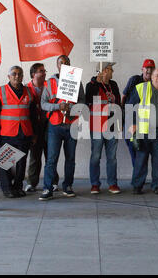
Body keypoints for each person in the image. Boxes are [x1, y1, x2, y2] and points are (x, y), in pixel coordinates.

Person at [39, 55, 85, 201]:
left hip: (72, 124)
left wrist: (72, 107)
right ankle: (48, 188)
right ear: (57, 65)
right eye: (61, 63)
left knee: (70, 158)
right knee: (52, 158)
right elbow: (43, 104)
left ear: (70, 65)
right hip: (55, 125)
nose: (64, 65)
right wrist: (58, 106)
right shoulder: (50, 82)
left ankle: (68, 186)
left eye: (67, 63)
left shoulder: (77, 80)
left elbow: (83, 102)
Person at [122, 59, 158, 186]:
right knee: (141, 160)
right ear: (152, 77)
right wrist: (132, 124)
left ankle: (157, 185)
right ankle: (137, 186)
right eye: (156, 76)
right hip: (144, 131)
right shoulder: (140, 88)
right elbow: (130, 106)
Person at [0, 66, 38, 198]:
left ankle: (18, 187)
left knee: (21, 163)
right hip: (7, 133)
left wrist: (34, 134)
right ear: (9, 76)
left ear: (23, 76)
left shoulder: (29, 92)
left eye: (20, 74)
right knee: (6, 162)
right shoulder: (0, 91)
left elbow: (33, 115)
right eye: (14, 74)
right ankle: (7, 189)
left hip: (25, 133)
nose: (17, 76)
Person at [86, 62, 121, 194]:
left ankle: (112, 183)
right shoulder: (91, 85)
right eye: (111, 69)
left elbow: (117, 103)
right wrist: (96, 82)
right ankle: (95, 184)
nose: (113, 72)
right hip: (96, 127)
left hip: (111, 126)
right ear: (105, 70)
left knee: (112, 157)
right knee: (95, 156)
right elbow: (88, 98)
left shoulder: (113, 85)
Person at [24, 63, 59, 192]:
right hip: (34, 126)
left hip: (49, 124)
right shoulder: (25, 88)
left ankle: (54, 181)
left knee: (50, 155)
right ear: (33, 74)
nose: (44, 73)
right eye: (41, 71)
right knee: (34, 156)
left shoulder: (48, 86)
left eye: (44, 71)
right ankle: (32, 182)